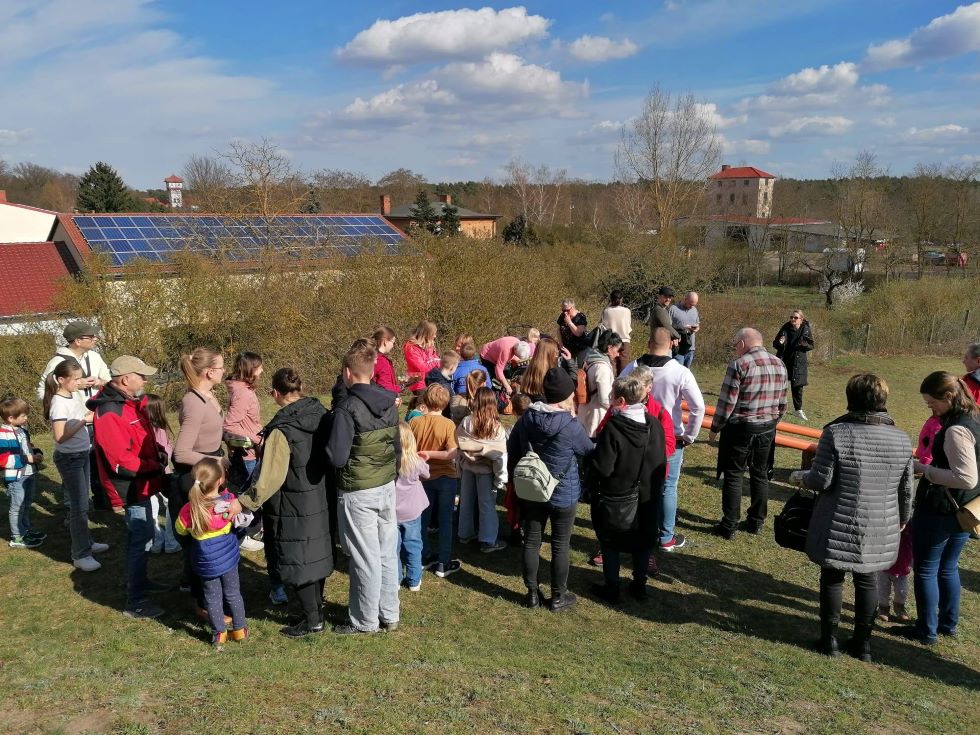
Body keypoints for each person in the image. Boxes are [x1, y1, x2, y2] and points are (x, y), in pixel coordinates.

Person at [793, 374, 913, 662]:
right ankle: (863, 644)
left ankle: (829, 639)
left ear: (851, 399)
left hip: (837, 518)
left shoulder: (837, 432)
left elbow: (821, 480)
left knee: (832, 576)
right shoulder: (901, 439)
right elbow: (906, 488)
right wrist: (903, 518)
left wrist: (798, 477)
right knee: (868, 579)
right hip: (879, 523)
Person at [237, 367, 334, 637]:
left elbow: (271, 477)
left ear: (276, 394)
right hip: (319, 494)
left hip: (292, 502)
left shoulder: (282, 430)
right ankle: (316, 611)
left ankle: (311, 619)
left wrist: (245, 502)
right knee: (314, 556)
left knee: (298, 560)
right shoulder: (321, 414)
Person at [898, 371, 979, 645]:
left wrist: (925, 470)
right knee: (948, 567)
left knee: (926, 569)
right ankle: (947, 624)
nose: (930, 409)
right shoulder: (975, 420)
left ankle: (927, 629)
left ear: (948, 397)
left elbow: (966, 476)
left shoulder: (957, 430)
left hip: (942, 509)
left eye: (932, 403)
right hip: (963, 509)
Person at [326, 342, 401, 635]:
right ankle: (390, 614)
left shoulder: (347, 408)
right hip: (385, 486)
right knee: (385, 553)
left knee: (364, 557)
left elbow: (337, 455)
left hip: (358, 490)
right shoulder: (391, 402)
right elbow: (396, 448)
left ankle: (365, 620)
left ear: (347, 372)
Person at [507, 368, 594, 612]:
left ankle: (532, 593)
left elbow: (512, 449)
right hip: (563, 491)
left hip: (532, 488)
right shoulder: (571, 425)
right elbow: (588, 450)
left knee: (532, 540)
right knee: (560, 544)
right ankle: (558, 596)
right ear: (566, 395)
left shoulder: (526, 419)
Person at [88, 356, 164, 616]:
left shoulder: (127, 403)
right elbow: (120, 460)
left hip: (141, 482)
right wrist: (154, 466)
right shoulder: (111, 411)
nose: (145, 380)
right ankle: (136, 600)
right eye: (141, 375)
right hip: (130, 486)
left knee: (142, 537)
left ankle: (141, 582)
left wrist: (158, 454)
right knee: (140, 539)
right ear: (124, 379)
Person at [621, 328, 705, 552]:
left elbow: (616, 394)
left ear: (648, 343)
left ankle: (633, 528)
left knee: (635, 483)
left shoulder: (633, 368)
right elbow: (698, 407)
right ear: (672, 344)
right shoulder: (680, 372)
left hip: (634, 432)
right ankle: (666, 537)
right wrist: (689, 435)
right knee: (668, 487)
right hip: (670, 436)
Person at [588, 376, 666, 605]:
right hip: (648, 496)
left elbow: (603, 467)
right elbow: (661, 461)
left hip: (617, 495)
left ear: (621, 400)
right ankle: (639, 584)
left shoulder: (614, 427)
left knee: (611, 541)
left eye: (612, 397)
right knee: (643, 541)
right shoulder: (655, 424)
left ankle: (612, 587)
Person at [708, 328, 787, 540]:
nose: (735, 348)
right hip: (767, 427)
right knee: (760, 473)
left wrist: (715, 428)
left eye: (736, 344)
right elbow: (782, 402)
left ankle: (729, 524)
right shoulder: (779, 363)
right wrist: (772, 424)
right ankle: (756, 522)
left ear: (743, 343)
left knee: (734, 474)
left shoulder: (739, 364)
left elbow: (726, 403)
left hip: (740, 428)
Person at [37, 321, 112, 510]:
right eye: (91, 336)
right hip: (74, 421)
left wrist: (100, 381)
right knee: (74, 467)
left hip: (95, 417)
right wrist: (72, 391)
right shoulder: (57, 362)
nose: (95, 339)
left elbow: (109, 380)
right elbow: (42, 390)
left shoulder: (94, 356)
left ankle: (100, 501)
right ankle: (73, 509)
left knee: (97, 461)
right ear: (78, 340)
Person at [174, 457, 248, 649]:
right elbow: (241, 521)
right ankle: (240, 630)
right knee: (233, 593)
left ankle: (219, 634)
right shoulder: (229, 503)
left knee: (212, 597)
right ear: (220, 481)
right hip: (228, 559)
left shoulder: (188, 510)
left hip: (204, 562)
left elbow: (180, 530)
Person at [45, 359, 108, 572]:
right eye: (75, 379)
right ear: (61, 380)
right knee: (79, 507)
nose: (79, 382)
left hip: (81, 454)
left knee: (84, 503)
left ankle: (87, 541)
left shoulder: (72, 395)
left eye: (80, 377)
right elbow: (60, 436)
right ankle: (80, 554)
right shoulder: (58, 402)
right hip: (69, 459)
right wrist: (84, 421)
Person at [411, 383, 461, 577]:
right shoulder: (448, 424)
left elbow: (409, 448)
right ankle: (443, 562)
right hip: (445, 477)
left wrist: (424, 454)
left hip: (422, 476)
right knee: (445, 519)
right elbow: (452, 454)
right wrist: (432, 453)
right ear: (446, 402)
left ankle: (423, 556)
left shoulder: (414, 422)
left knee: (422, 519)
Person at [456, 387, 508, 552]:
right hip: (486, 471)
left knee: (466, 501)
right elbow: (499, 455)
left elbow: (460, 443)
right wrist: (501, 479)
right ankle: (487, 541)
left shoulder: (466, 421)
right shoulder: (496, 427)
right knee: (487, 505)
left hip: (467, 468)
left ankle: (464, 534)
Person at [1, 396, 45, 549]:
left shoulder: (21, 430)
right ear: (11, 418)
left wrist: (36, 453)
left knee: (26, 504)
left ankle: (25, 530)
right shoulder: (3, 434)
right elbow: (4, 459)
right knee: (17, 507)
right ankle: (16, 537)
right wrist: (29, 458)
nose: (26, 418)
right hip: (15, 477)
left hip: (28, 473)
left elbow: (27, 447)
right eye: (23, 416)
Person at [395, 421, 429, 592]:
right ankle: (414, 580)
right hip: (412, 511)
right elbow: (426, 474)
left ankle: (395, 579)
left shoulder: (388, 464)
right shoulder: (416, 462)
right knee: (414, 545)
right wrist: (425, 460)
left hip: (392, 511)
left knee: (393, 547)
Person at [145, 394, 180, 555]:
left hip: (146, 474)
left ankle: (155, 542)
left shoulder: (141, 428)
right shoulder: (159, 429)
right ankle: (171, 542)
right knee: (171, 505)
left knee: (151, 508)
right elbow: (164, 451)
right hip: (162, 473)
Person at [223, 352, 264, 490]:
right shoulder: (243, 393)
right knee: (247, 495)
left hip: (248, 452)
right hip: (248, 455)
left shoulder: (242, 390)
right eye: (259, 367)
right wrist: (256, 439)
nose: (262, 370)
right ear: (250, 369)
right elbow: (230, 424)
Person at [578, 331, 623, 438]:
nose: (618, 354)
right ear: (609, 348)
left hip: (584, 411)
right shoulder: (602, 368)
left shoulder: (589, 359)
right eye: (617, 350)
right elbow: (604, 399)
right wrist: (618, 409)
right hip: (595, 416)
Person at [774, 310, 814, 421]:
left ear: (801, 319)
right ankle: (777, 407)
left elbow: (811, 345)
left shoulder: (805, 329)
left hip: (799, 362)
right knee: (780, 385)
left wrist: (802, 344)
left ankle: (798, 410)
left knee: (797, 387)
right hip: (783, 360)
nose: (792, 319)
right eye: (791, 317)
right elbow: (775, 343)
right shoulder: (785, 328)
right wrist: (780, 343)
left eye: (795, 318)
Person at [522, 337, 576, 403]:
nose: (557, 355)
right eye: (556, 352)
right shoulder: (553, 376)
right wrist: (570, 363)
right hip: (551, 411)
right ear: (551, 355)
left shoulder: (529, 372)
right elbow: (570, 388)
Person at [600, 290, 633, 375]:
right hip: (624, 340)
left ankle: (612, 385)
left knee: (612, 364)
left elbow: (603, 325)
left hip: (611, 340)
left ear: (611, 299)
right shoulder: (627, 311)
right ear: (621, 299)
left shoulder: (606, 311)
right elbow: (628, 325)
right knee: (624, 367)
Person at [404, 320, 440, 393]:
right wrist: (436, 362)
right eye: (433, 334)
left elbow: (437, 360)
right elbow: (421, 368)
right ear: (426, 333)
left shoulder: (430, 344)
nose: (435, 336)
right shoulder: (411, 347)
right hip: (419, 384)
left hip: (432, 380)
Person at [669, 291, 700, 368]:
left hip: (691, 347)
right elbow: (667, 327)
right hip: (678, 347)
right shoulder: (673, 309)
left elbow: (698, 324)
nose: (691, 306)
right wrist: (681, 329)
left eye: (694, 305)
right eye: (690, 304)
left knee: (686, 373)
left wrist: (696, 328)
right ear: (685, 299)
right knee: (678, 373)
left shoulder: (694, 310)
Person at [372, 326, 403, 399]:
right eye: (393, 342)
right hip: (382, 399)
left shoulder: (372, 356)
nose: (393, 345)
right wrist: (401, 388)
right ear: (385, 341)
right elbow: (385, 385)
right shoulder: (381, 361)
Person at [556, 298, 590, 365]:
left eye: (567, 310)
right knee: (565, 367)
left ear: (573, 307)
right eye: (563, 310)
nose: (565, 312)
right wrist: (560, 343)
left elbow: (578, 333)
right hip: (566, 347)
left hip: (579, 348)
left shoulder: (580, 317)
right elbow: (558, 329)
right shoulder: (563, 316)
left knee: (578, 369)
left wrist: (569, 322)